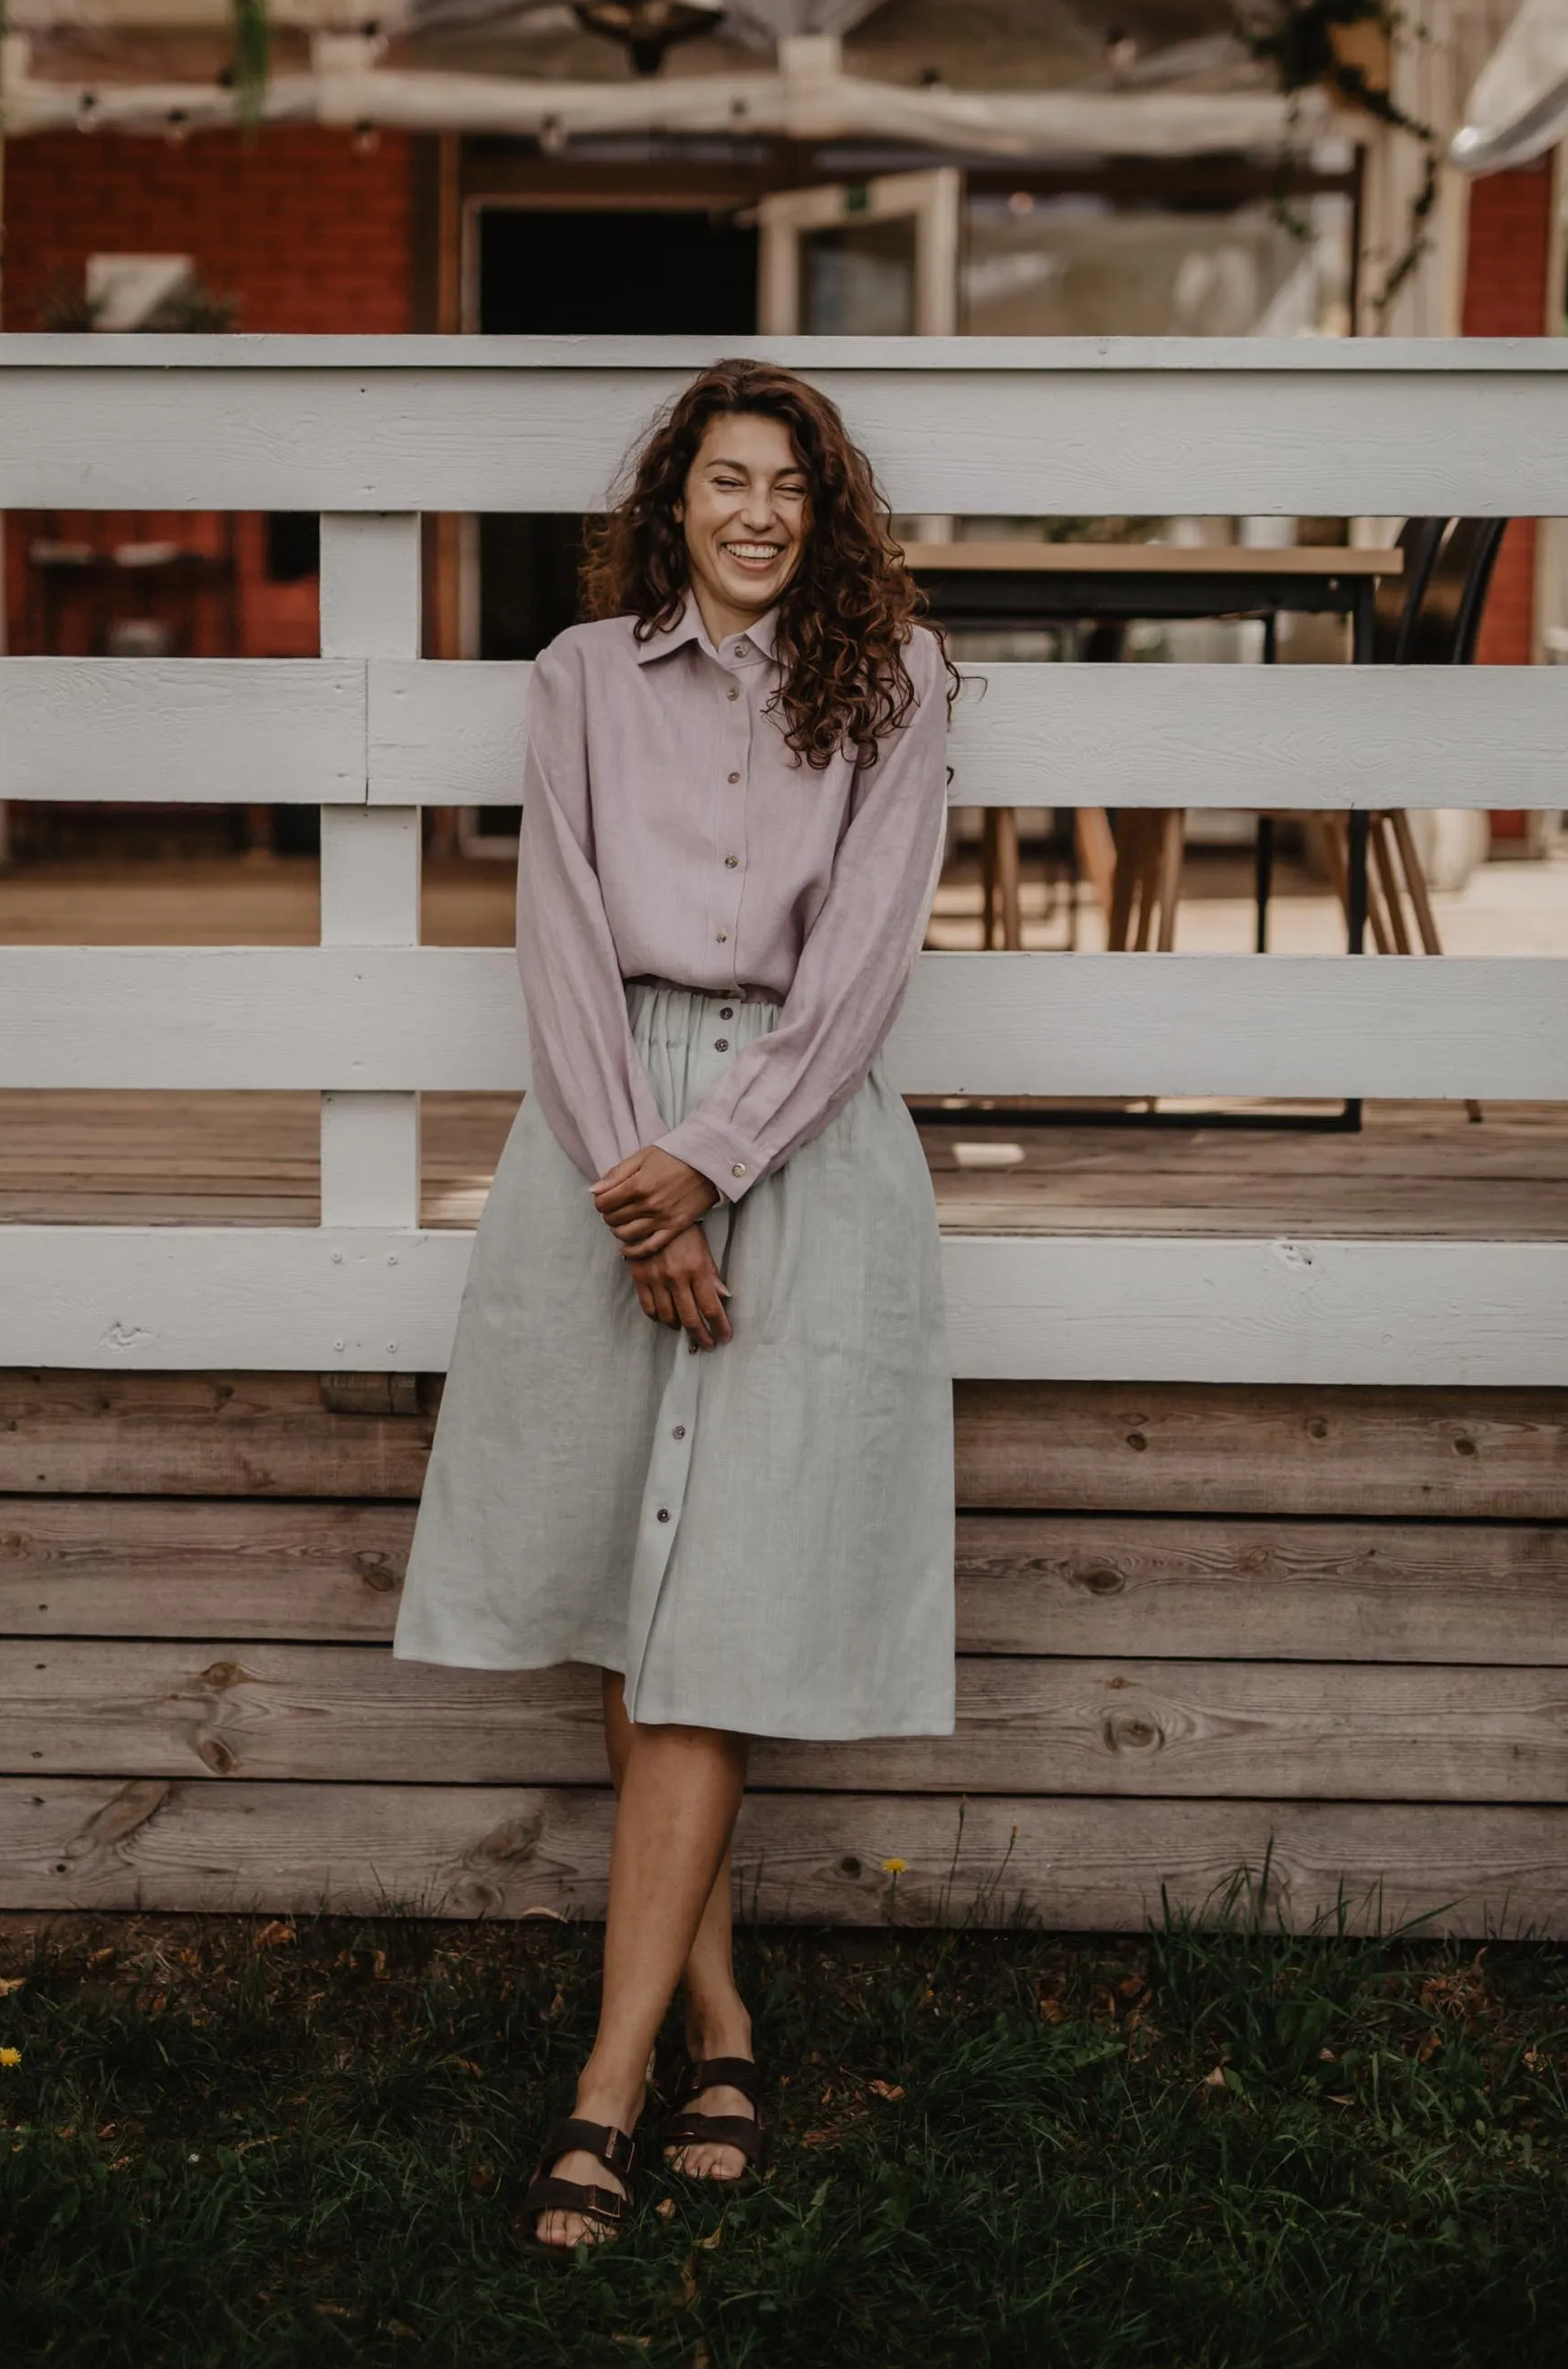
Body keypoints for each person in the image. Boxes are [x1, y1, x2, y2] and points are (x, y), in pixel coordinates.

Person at [393, 357, 960, 2250]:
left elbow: (864, 965)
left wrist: (711, 1162)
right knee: (634, 1591)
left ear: (827, 508)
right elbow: (554, 933)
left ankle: (607, 2085)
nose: (759, 515)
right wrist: (638, 1192)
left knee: (715, 1599)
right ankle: (721, 2018)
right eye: (727, 481)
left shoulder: (895, 680)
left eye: (791, 486)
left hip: (794, 1142)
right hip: (599, 1125)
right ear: (676, 500)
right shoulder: (572, 681)